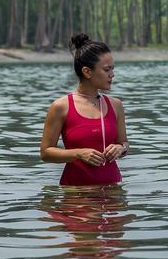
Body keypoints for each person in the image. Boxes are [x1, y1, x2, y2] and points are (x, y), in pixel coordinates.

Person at [40, 33, 128, 185]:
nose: (112, 75)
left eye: (112, 69)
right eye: (107, 70)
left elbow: (124, 143)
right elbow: (46, 153)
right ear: (87, 72)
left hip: (113, 194)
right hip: (75, 195)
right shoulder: (61, 107)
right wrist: (78, 154)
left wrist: (120, 148)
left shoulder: (116, 105)